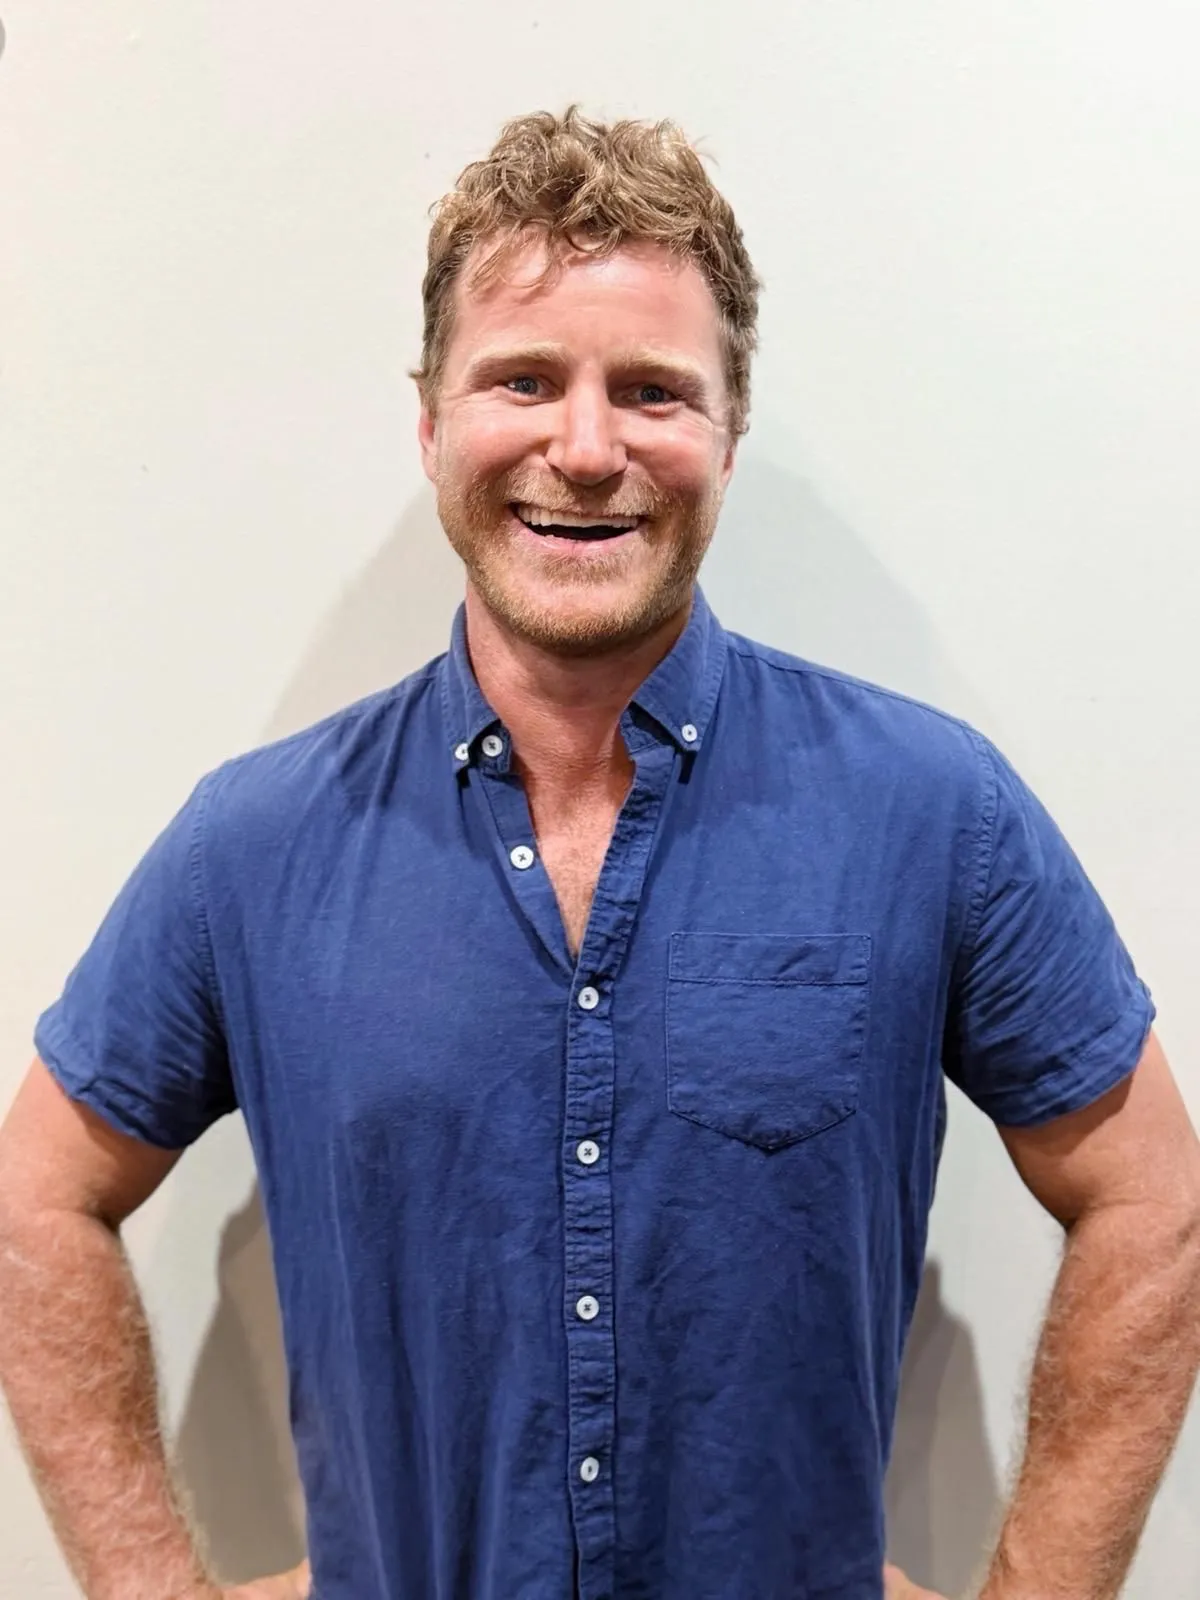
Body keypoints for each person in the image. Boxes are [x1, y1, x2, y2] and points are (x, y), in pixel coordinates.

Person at [1, 105, 1197, 1600]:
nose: (584, 449)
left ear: (727, 438)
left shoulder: (932, 809)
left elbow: (1153, 1199)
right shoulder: (252, 847)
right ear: (432, 424)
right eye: (523, 380)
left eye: (651, 391)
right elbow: (34, 1199)